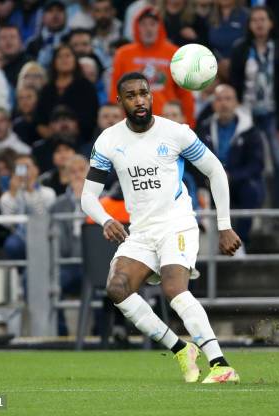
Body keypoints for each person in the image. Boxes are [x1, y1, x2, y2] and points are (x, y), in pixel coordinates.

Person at [81, 71, 240, 383]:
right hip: (141, 231)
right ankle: (181, 349)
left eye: (144, 93)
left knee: (173, 289)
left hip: (177, 224)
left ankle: (221, 364)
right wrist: (106, 219)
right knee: (117, 288)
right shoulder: (109, 141)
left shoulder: (176, 133)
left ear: (151, 96)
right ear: (120, 101)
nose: (139, 100)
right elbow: (88, 196)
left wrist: (224, 225)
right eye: (131, 95)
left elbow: (216, 171)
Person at [229, 5, 279, 232]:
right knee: (253, 164)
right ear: (249, 25)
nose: (259, 24)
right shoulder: (240, 49)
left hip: (272, 114)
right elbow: (234, 84)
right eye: (254, 20)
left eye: (263, 19)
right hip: (247, 113)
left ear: (270, 23)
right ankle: (255, 214)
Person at [196, 84, 264, 248]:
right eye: (219, 99)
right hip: (210, 183)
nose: (224, 103)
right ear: (213, 105)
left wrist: (231, 176)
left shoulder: (250, 131)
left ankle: (240, 244)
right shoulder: (203, 128)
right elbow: (195, 161)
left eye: (228, 99)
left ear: (236, 104)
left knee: (251, 191)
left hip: (238, 182)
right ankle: (202, 250)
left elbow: (256, 164)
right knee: (195, 193)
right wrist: (210, 177)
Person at [110, 6, 195, 127]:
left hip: (167, 122)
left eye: (152, 24)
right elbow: (115, 91)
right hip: (134, 122)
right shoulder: (122, 54)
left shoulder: (174, 53)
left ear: (160, 27)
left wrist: (189, 124)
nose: (148, 29)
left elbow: (185, 93)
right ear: (136, 27)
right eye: (143, 24)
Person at [49, 154, 88, 335]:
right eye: (73, 172)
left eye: (82, 170)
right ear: (66, 177)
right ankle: (60, 332)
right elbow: (61, 245)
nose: (78, 176)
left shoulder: (103, 200)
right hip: (68, 264)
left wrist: (84, 201)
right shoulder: (58, 205)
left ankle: (103, 332)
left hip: (94, 264)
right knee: (50, 282)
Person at [34, 44, 99, 145]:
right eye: (60, 56)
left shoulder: (86, 87)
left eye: (68, 56)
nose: (64, 60)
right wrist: (52, 136)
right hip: (50, 141)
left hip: (81, 141)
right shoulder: (46, 89)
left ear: (75, 60)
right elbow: (39, 121)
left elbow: (90, 119)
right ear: (54, 62)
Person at [0, 153, 56, 260]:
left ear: (36, 170)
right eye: (19, 168)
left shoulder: (48, 193)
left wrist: (32, 191)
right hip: (20, 237)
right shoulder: (7, 197)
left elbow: (44, 216)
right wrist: (13, 194)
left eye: (27, 167)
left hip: (44, 233)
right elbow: (8, 223)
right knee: (12, 245)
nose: (24, 172)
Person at [25, 0, 70, 68]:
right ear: (43, 17)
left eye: (59, 10)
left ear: (66, 16)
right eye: (50, 11)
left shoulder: (73, 40)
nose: (55, 15)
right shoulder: (32, 44)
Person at [0, 25, 29, 90]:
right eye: (3, 38)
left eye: (12, 37)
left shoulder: (29, 65)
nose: (8, 41)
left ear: (21, 41)